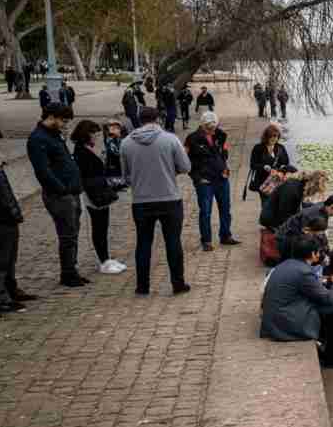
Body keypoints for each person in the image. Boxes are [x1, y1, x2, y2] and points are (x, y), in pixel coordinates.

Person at [259, 236, 333, 368]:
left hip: (277, 316)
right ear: (312, 254)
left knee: (328, 304)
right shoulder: (304, 271)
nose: (319, 255)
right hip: (287, 321)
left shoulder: (288, 264)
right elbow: (328, 298)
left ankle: (328, 347)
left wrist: (323, 281)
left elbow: (306, 286)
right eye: (318, 252)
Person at [120, 107, 191, 295]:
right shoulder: (170, 139)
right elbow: (185, 167)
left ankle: (142, 286)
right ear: (158, 119)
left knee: (143, 243)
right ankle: (178, 283)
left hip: (141, 200)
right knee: (173, 242)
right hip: (169, 198)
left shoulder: (126, 143)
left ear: (139, 120)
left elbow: (125, 176)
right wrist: (169, 170)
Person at [27, 103, 87, 287]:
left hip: (71, 192)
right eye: (63, 120)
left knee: (73, 233)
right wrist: (62, 189)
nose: (65, 124)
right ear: (51, 117)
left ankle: (72, 269)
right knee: (67, 235)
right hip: (60, 195)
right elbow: (43, 171)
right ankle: (68, 274)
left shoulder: (54, 135)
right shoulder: (38, 139)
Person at [70, 120, 126, 275]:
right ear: (86, 134)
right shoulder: (81, 151)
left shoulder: (89, 148)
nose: (96, 136)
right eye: (94, 133)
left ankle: (106, 258)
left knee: (103, 226)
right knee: (99, 227)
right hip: (93, 193)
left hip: (99, 189)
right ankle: (103, 260)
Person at [184, 111, 239, 251]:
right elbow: (185, 162)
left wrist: (225, 167)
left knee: (225, 209)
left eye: (214, 126)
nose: (212, 129)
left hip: (222, 178)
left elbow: (224, 153)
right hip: (204, 181)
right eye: (209, 127)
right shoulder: (192, 139)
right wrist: (197, 178)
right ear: (203, 125)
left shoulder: (221, 135)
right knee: (206, 211)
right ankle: (206, 241)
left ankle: (226, 235)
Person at [0, 154, 37, 312]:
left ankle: (10, 289)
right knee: (2, 260)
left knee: (9, 258)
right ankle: (2, 298)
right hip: (2, 219)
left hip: (8, 218)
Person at [260, 170, 329, 230]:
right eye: (316, 190)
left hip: (278, 216)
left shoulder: (299, 185)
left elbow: (296, 208)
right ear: (313, 185)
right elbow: (284, 213)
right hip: (271, 220)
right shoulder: (292, 189)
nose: (314, 193)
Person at [248, 124, 291, 205]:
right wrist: (264, 167)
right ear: (266, 137)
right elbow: (253, 164)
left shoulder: (280, 147)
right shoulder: (258, 148)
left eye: (276, 137)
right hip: (264, 182)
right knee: (266, 204)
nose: (274, 139)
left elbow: (286, 163)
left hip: (277, 181)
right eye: (272, 137)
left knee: (277, 204)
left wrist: (281, 168)